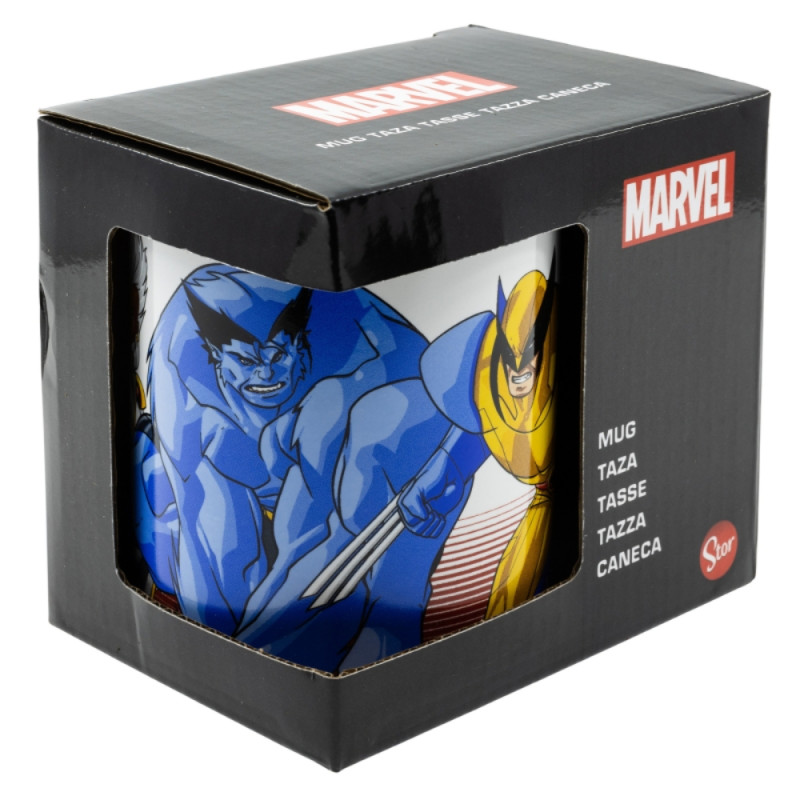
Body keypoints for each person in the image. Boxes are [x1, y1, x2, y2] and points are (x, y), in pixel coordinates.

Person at [134, 264, 429, 665]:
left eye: (277, 355)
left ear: (300, 345)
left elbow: (425, 366)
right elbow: (190, 502)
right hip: (214, 472)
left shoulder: (345, 331)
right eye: (246, 360)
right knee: (215, 513)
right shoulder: (180, 364)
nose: (265, 372)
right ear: (216, 358)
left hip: (325, 461)